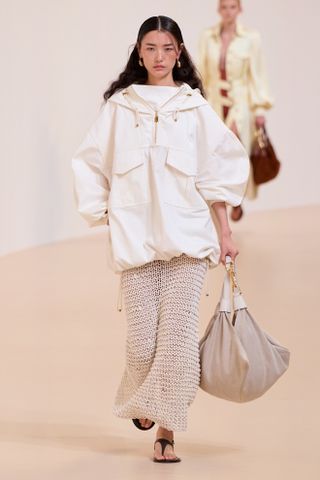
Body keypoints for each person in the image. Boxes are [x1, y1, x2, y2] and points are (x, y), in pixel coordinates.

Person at [71, 15, 249, 463]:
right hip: (136, 243)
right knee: (141, 345)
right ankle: (145, 395)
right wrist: (105, 213)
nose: (158, 56)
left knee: (177, 341)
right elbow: (89, 161)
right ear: (138, 51)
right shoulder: (121, 107)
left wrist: (225, 232)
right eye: (150, 47)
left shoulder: (193, 109)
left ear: (179, 53)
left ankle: (166, 433)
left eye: (167, 48)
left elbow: (218, 170)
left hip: (188, 240)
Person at [198, 0, 273, 221]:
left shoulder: (251, 38)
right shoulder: (207, 37)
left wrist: (260, 108)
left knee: (236, 151)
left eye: (233, 7)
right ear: (218, 10)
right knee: (215, 156)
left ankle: (237, 198)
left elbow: (257, 74)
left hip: (240, 104)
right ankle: (222, 201)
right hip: (214, 102)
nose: (228, 12)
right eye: (224, 7)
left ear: (239, 9)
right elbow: (201, 72)